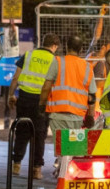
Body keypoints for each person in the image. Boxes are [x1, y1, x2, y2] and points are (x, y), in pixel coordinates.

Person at [40, 35, 97, 176]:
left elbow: (46, 86)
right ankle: (71, 175)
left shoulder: (57, 62)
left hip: (57, 114)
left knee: (62, 148)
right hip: (77, 116)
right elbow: (92, 96)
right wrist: (90, 115)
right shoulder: (87, 67)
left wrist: (41, 104)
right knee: (73, 147)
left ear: (66, 47)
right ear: (81, 49)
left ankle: (63, 175)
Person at [7, 33, 60, 179]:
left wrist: (11, 95)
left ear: (43, 43)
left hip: (24, 98)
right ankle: (37, 169)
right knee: (39, 135)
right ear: (54, 46)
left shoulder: (28, 55)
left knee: (22, 131)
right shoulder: (55, 60)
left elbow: (16, 77)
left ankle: (16, 164)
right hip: (43, 101)